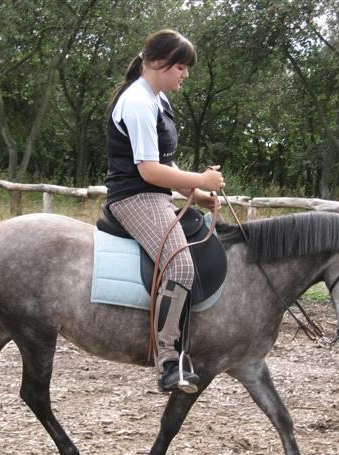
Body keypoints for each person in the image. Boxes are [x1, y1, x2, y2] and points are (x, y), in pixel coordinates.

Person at [103, 29, 225, 393]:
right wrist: (200, 177)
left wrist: (196, 192)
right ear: (159, 63)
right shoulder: (138, 102)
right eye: (182, 67)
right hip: (133, 198)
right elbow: (148, 170)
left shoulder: (158, 99)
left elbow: (164, 165)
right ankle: (169, 361)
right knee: (180, 263)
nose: (185, 74)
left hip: (157, 196)